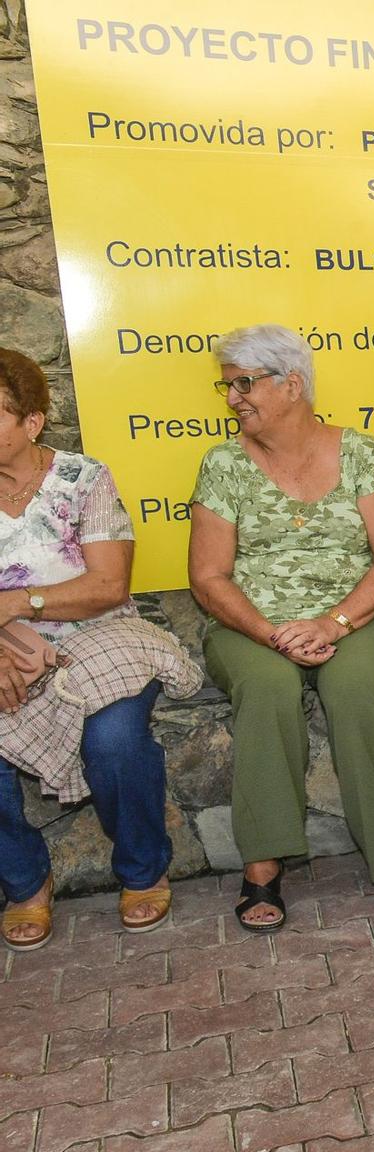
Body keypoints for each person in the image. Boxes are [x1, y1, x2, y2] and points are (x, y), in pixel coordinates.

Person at [188, 326, 374, 930]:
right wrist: (275, 634)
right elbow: (209, 578)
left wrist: (333, 621)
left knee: (348, 689)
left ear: (292, 385)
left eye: (245, 384)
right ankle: (263, 866)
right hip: (249, 627)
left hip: (352, 618)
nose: (233, 398)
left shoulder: (361, 452)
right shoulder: (222, 464)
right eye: (227, 387)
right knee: (269, 688)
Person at [0, 348, 194, 948]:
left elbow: (108, 586)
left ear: (31, 423)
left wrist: (16, 603)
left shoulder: (83, 479)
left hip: (99, 637)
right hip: (5, 648)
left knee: (114, 741)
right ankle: (25, 882)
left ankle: (141, 870)